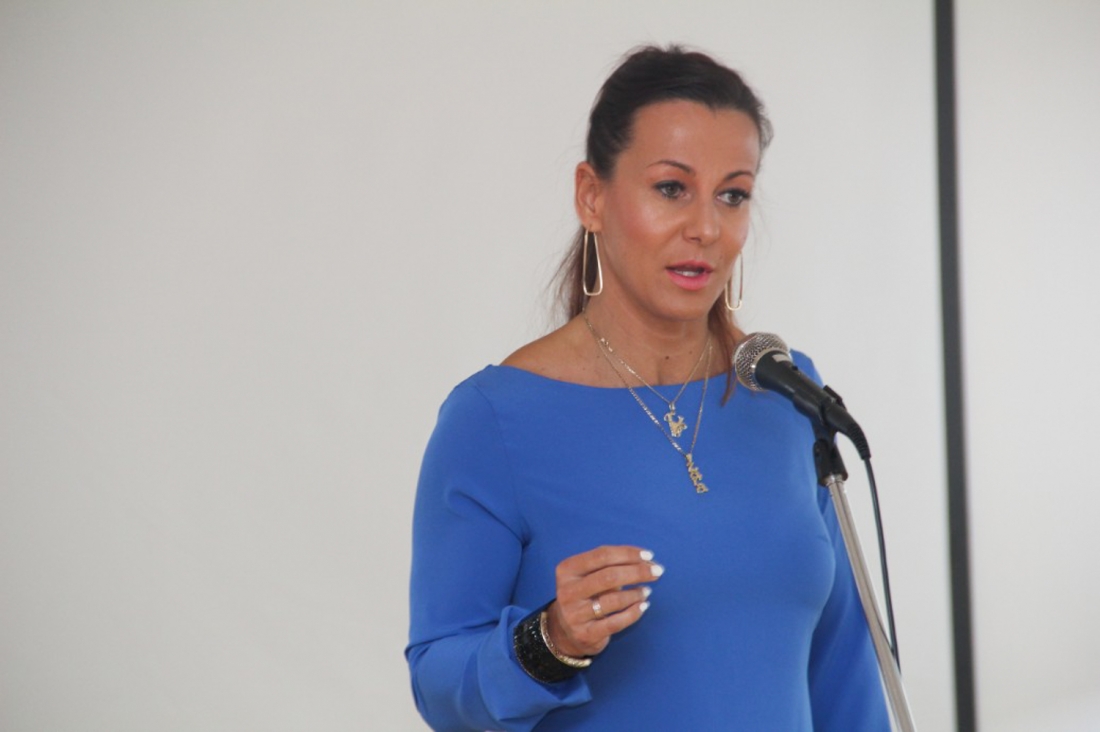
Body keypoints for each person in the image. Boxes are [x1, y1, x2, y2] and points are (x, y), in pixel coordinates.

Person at [406, 45, 890, 731]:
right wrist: (548, 641)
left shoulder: (787, 392)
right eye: (671, 188)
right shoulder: (494, 419)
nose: (706, 228)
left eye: (733, 195)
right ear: (592, 196)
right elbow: (438, 681)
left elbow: (844, 664)